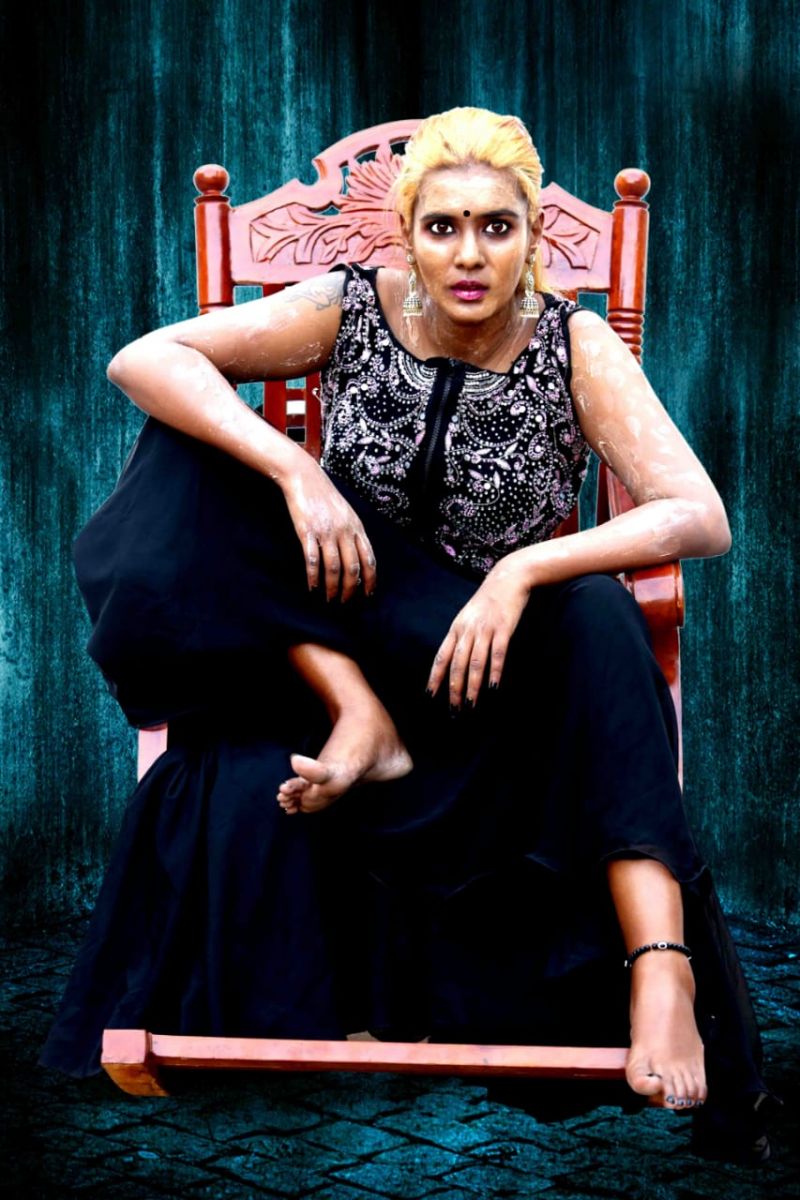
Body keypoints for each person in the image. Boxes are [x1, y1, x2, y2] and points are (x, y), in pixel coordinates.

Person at [39, 107, 772, 1161]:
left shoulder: (572, 343)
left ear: (530, 237)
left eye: (495, 227)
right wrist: (294, 470)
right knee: (184, 453)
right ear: (407, 236)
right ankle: (359, 715)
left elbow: (698, 515)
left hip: (491, 667)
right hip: (348, 628)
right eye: (442, 227)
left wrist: (523, 569)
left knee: (601, 611)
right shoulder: (350, 308)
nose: (468, 255)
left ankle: (660, 970)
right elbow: (145, 359)